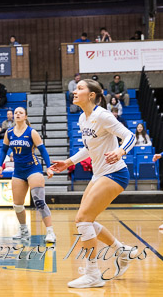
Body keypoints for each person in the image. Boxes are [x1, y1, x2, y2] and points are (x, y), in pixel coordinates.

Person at [49, 78, 138, 288]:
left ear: (91, 95)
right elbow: (89, 148)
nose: (74, 91)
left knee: (83, 219)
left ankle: (93, 274)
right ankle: (122, 251)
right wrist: (68, 162)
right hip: (98, 174)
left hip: (115, 173)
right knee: (84, 220)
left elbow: (130, 136)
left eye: (79, 88)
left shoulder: (102, 115)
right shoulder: (83, 118)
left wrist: (120, 151)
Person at [0, 108, 55, 243]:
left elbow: (43, 151)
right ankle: (23, 230)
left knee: (39, 202)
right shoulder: (9, 132)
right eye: (15, 112)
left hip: (33, 168)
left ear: (25, 116)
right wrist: (0, 165)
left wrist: (49, 167)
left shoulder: (31, 132)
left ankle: (50, 231)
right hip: (18, 171)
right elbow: (4, 150)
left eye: (20, 113)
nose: (17, 114)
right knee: (17, 205)